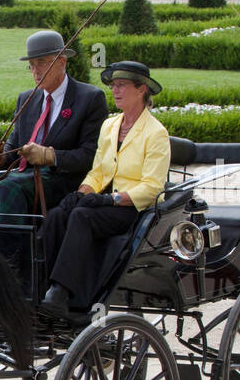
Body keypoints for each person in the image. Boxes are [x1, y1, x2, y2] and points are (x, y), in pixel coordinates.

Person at [0, 30, 108, 260]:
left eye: (41, 63)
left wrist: (50, 156)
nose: (36, 72)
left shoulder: (89, 98)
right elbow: (14, 151)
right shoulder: (27, 98)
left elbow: (91, 156)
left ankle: (11, 259)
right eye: (31, 65)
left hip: (64, 180)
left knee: (10, 188)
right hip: (25, 177)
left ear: (61, 62)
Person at [38, 61, 171, 317]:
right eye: (113, 86)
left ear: (141, 89)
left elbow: (153, 188)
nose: (115, 91)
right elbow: (98, 170)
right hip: (103, 202)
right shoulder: (110, 126)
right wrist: (83, 192)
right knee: (57, 215)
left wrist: (110, 199)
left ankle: (62, 291)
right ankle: (41, 287)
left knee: (82, 216)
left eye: (121, 85)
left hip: (132, 209)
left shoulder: (156, 133)